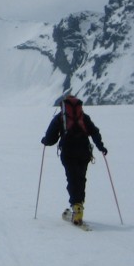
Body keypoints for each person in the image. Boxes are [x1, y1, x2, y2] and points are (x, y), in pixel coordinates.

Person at [41, 95, 107, 226]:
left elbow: (51, 139)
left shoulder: (60, 118)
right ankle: (79, 207)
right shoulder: (83, 117)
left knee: (72, 179)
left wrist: (44, 141)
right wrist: (101, 147)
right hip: (84, 152)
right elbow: (94, 132)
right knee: (81, 179)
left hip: (68, 152)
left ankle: (76, 207)